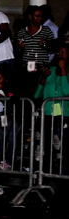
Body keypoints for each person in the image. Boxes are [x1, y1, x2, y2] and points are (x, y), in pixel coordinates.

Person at [34, 43, 69, 171]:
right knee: (46, 146)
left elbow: (66, 92)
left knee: (63, 147)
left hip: (65, 115)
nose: (60, 56)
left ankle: (63, 172)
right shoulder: (51, 70)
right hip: (47, 114)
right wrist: (43, 78)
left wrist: (63, 70)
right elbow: (37, 94)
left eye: (63, 53)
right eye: (58, 53)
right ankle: (47, 172)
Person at [15, 6, 55, 98]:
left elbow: (53, 47)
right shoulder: (22, 32)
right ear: (30, 16)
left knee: (40, 90)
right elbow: (17, 50)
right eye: (37, 16)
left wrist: (45, 44)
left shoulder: (46, 30)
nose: (40, 18)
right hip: (27, 67)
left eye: (41, 16)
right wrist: (21, 47)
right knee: (28, 92)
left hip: (41, 66)